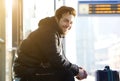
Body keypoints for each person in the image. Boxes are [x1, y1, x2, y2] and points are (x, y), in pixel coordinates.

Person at [13, 6, 87, 81]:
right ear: (57, 19)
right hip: (27, 72)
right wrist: (77, 71)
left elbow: (58, 60)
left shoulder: (53, 31)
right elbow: (56, 59)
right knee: (66, 74)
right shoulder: (48, 32)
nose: (68, 25)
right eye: (66, 21)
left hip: (33, 70)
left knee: (65, 72)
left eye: (71, 22)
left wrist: (76, 69)